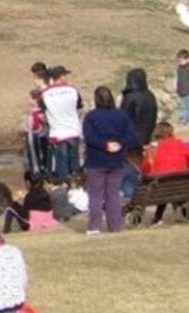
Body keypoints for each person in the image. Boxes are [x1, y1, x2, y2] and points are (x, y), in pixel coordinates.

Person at [82, 86, 138, 235]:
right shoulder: (122, 116)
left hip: (96, 160)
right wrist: (119, 144)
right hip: (116, 159)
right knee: (113, 193)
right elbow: (131, 136)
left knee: (95, 194)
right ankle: (115, 225)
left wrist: (104, 145)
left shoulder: (91, 117)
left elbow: (89, 137)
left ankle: (94, 226)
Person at [142, 122, 189, 225]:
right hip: (182, 184)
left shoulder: (152, 148)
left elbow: (145, 168)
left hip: (161, 187)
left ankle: (157, 217)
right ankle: (186, 213)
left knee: (163, 183)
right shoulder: (180, 144)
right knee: (171, 183)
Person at [39, 65, 84, 181]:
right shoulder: (73, 90)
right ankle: (77, 187)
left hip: (57, 134)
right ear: (61, 76)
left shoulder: (45, 94)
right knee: (75, 164)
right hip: (73, 131)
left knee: (61, 166)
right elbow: (79, 109)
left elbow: (43, 115)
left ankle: (64, 188)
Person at [120, 68, 158, 156]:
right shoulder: (150, 95)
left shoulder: (130, 97)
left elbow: (123, 118)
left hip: (132, 138)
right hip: (148, 134)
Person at [24, 88, 49, 177]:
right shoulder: (31, 113)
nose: (35, 101)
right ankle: (36, 169)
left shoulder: (43, 111)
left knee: (44, 150)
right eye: (33, 98)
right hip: (33, 134)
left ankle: (43, 167)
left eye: (37, 98)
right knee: (33, 151)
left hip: (42, 134)